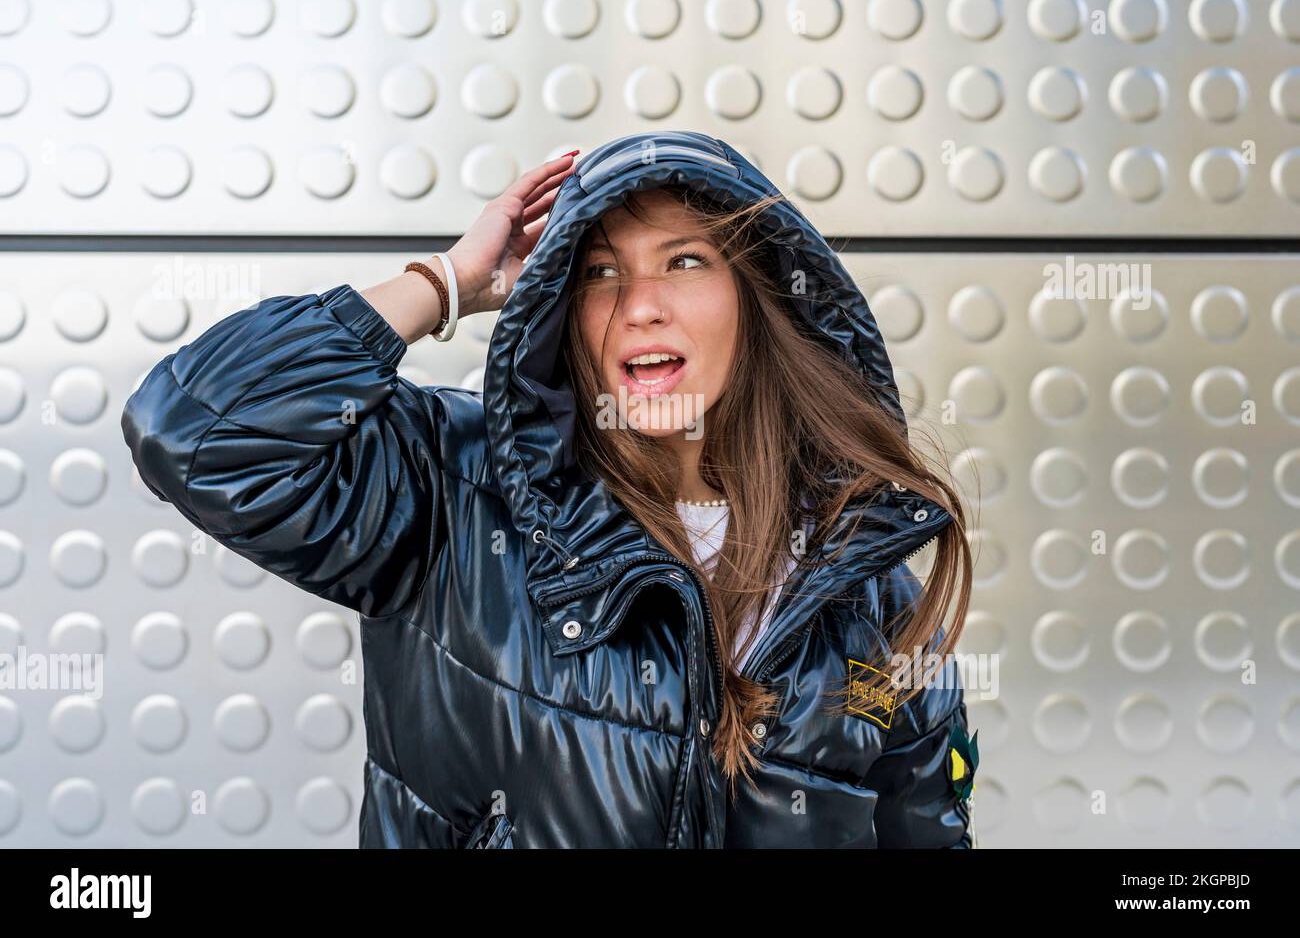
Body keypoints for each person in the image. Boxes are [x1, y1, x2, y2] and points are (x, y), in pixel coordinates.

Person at [122, 130, 979, 848]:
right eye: (601, 272)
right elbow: (196, 432)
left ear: (757, 301)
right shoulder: (454, 489)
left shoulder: (864, 580)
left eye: (683, 260)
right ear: (562, 314)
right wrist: (447, 283)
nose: (640, 305)